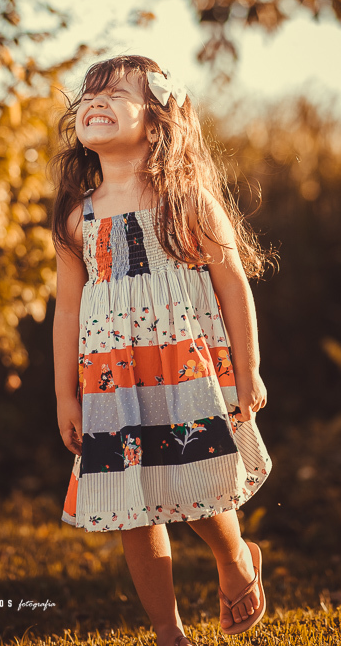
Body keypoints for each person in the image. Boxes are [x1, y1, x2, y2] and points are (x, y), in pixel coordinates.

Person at [49, 55, 274, 646]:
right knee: (132, 501)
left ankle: (234, 558)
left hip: (182, 370)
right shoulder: (77, 218)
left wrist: (248, 369)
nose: (96, 102)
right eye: (89, 95)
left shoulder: (187, 201)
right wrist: (65, 395)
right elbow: (67, 311)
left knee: (198, 480)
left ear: (156, 122)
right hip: (112, 383)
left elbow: (233, 284)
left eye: (116, 94)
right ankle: (168, 633)